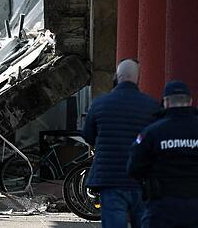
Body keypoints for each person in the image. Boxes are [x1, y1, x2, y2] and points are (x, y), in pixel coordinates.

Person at [82, 58, 159, 228]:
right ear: (137, 78)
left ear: (117, 76)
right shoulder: (152, 106)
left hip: (109, 177)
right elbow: (157, 142)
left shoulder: (99, 104)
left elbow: (88, 136)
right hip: (141, 179)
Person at [128, 81, 198, 228]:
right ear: (190, 101)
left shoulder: (152, 132)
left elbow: (133, 168)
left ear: (165, 102)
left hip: (161, 208)